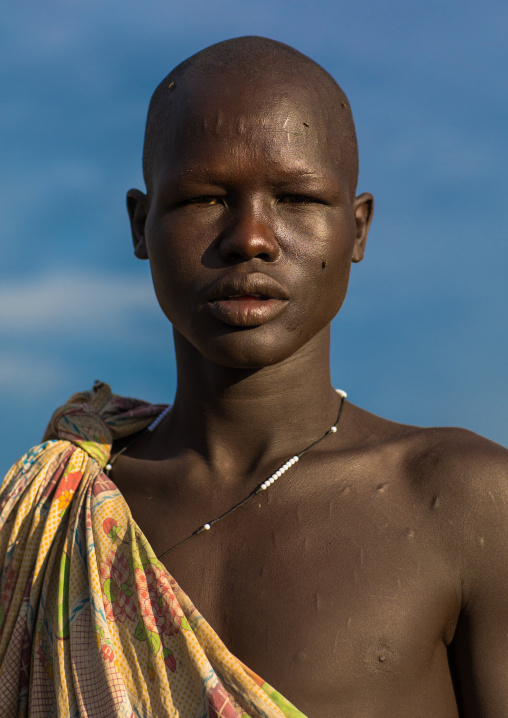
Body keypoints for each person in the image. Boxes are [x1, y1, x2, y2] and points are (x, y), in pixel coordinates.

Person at [1, 36, 507, 718]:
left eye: (297, 199)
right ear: (140, 224)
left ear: (355, 231)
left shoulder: (466, 503)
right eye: (205, 199)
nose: (252, 237)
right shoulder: (56, 517)